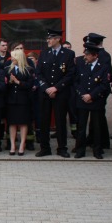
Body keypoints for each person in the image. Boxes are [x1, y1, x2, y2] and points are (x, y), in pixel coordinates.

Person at [35, 29, 75, 158]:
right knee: (44, 121)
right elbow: (38, 73)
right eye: (47, 38)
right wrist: (47, 88)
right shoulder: (44, 53)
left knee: (60, 120)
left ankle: (62, 148)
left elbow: (70, 74)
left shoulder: (68, 54)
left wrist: (56, 88)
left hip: (60, 93)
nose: (48, 40)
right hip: (45, 93)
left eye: (51, 38)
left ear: (58, 39)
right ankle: (45, 148)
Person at [73, 42, 111, 159]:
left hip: (96, 101)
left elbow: (104, 85)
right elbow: (76, 82)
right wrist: (83, 95)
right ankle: (80, 150)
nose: (84, 57)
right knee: (81, 127)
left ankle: (97, 150)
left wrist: (91, 96)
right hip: (82, 100)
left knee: (97, 127)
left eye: (87, 55)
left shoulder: (103, 67)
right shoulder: (81, 65)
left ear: (95, 55)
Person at [6, 42, 35, 156]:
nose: (12, 59)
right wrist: (9, 82)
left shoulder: (28, 70)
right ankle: (13, 145)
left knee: (23, 123)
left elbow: (29, 85)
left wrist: (18, 82)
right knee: (12, 123)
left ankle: (22, 145)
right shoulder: (8, 69)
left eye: (13, 57)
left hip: (23, 100)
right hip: (11, 100)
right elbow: (5, 85)